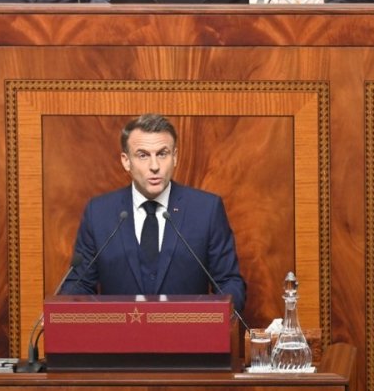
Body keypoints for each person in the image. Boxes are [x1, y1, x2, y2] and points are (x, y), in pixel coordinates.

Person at [60, 114, 246, 314]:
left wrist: (213, 318)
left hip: (187, 340)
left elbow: (229, 283)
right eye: (143, 155)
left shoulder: (206, 209)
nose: (154, 166)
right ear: (126, 161)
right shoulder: (99, 213)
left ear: (175, 157)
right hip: (119, 340)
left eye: (162, 154)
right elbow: (78, 285)